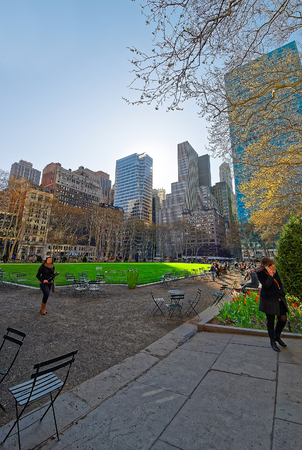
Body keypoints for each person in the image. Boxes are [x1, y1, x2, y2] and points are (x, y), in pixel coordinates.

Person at [256, 256, 288, 352]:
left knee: (283, 318)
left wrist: (282, 292)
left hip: (278, 298)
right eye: (270, 265)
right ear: (265, 265)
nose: (272, 266)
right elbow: (266, 286)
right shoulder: (260, 272)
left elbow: (279, 282)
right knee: (271, 321)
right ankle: (272, 342)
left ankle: (277, 336)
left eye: (272, 264)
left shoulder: (274, 270)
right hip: (268, 299)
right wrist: (270, 275)